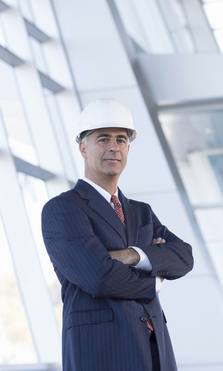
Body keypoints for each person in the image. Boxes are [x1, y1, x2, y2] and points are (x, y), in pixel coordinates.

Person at [42, 98, 193, 371]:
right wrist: (155, 277)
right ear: (83, 148)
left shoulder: (141, 212)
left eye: (121, 140)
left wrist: (131, 255)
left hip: (155, 350)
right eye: (103, 139)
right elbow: (100, 278)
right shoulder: (63, 209)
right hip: (102, 352)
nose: (114, 147)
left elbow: (184, 256)